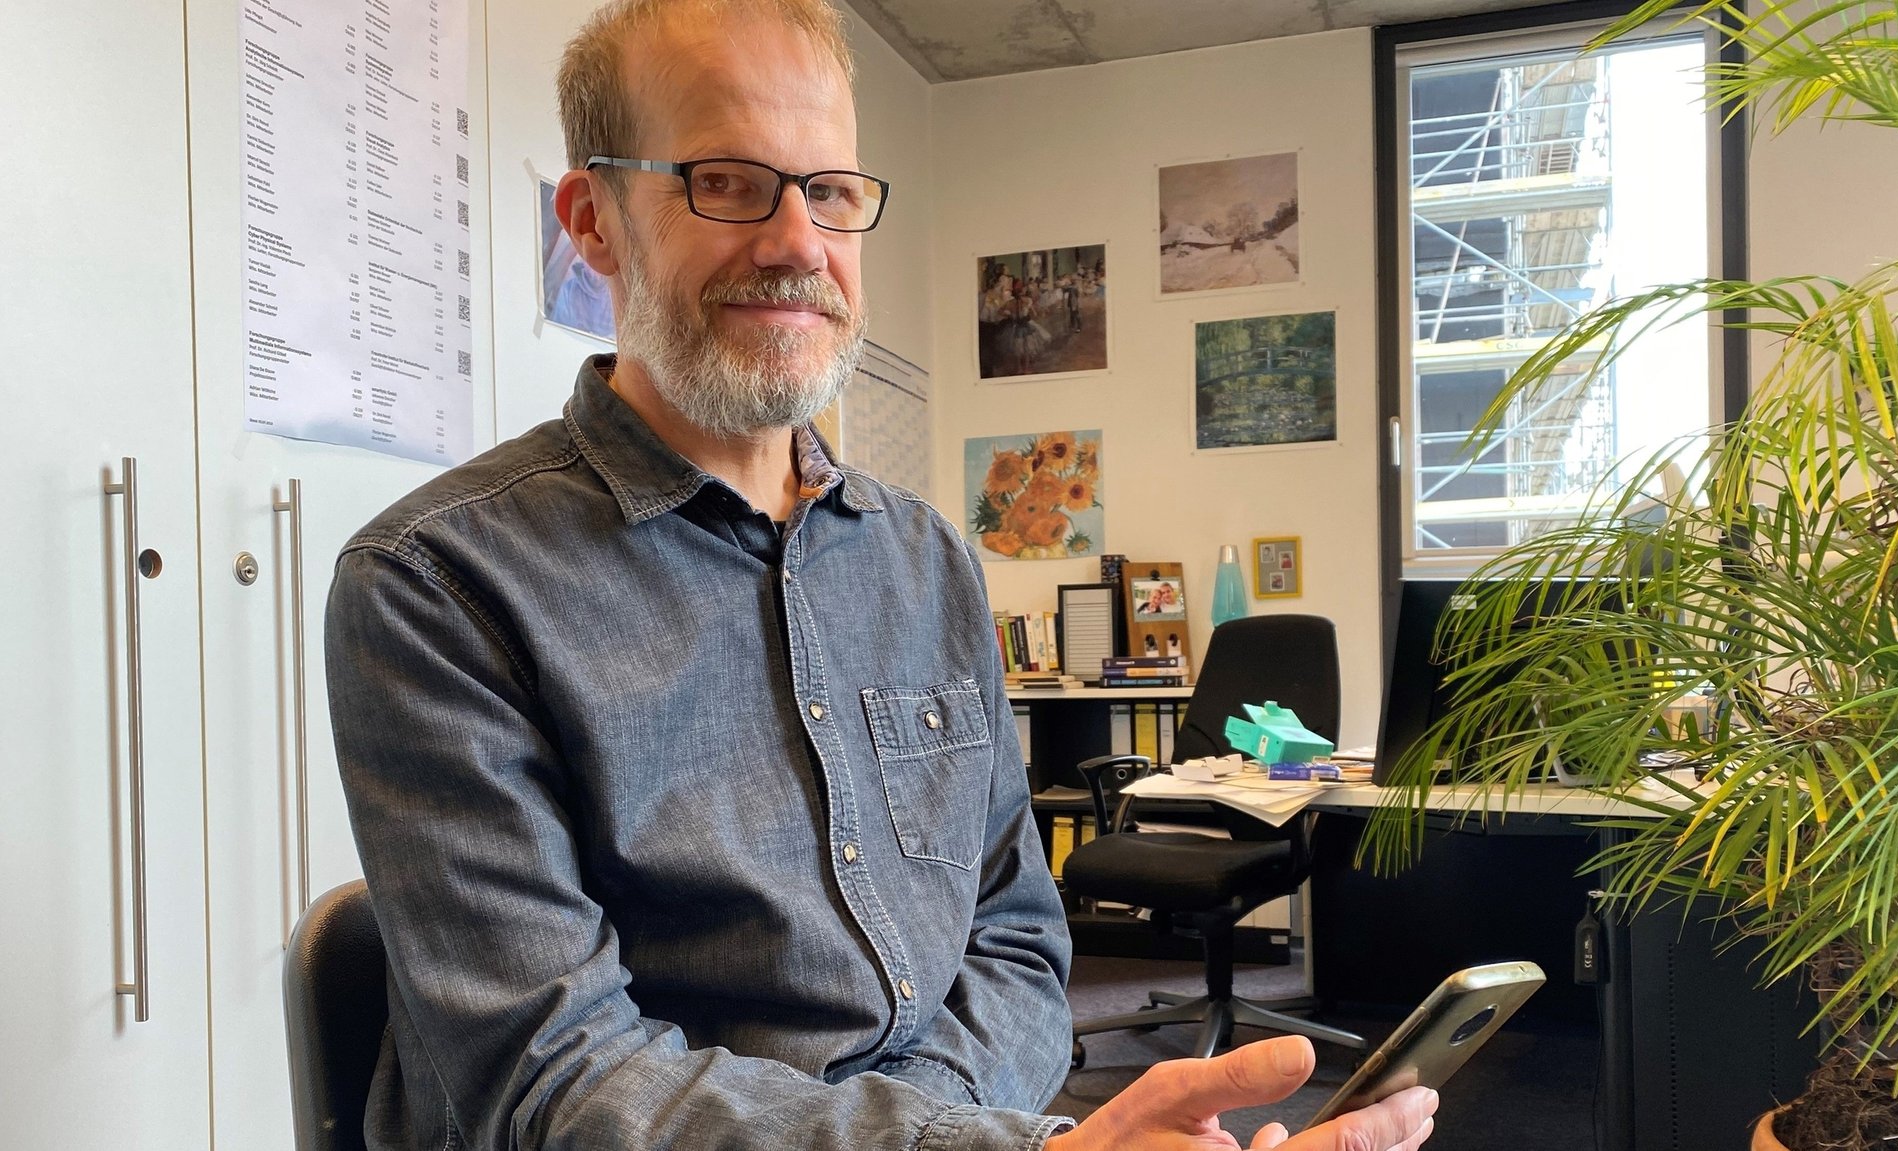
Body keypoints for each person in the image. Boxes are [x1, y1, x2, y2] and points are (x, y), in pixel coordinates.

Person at [325, 2, 1440, 1149]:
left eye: (831, 191)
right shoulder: (437, 584)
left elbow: (1014, 934)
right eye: (728, 181)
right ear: (593, 221)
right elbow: (554, 1083)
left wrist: (967, 1137)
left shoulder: (928, 559)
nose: (798, 242)